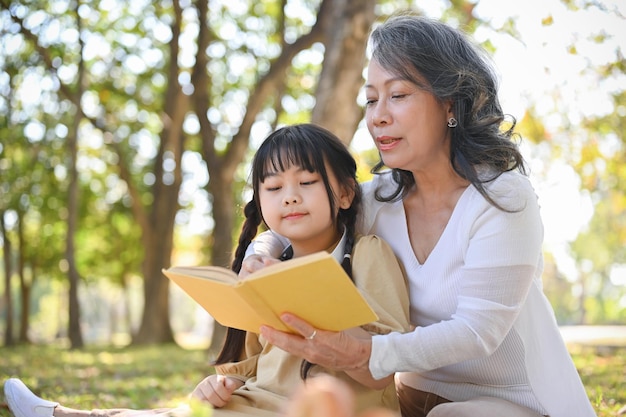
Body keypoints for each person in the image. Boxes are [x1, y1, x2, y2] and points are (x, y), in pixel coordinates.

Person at [243, 13, 597, 417]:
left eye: (398, 95)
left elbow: (478, 332)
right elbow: (304, 217)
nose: (378, 117)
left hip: (515, 400)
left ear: (450, 103)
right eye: (372, 99)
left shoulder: (501, 197)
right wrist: (261, 251)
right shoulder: (377, 199)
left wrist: (365, 351)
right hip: (411, 400)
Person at [3, 123, 411, 417]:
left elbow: (387, 364)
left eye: (306, 182)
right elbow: (263, 361)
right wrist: (222, 383)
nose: (289, 197)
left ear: (343, 192)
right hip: (255, 403)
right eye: (273, 188)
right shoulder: (269, 270)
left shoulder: (367, 255)